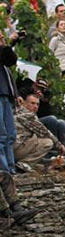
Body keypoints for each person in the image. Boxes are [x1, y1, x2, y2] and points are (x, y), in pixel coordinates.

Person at [14, 93, 64, 163]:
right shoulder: (26, 114)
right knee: (47, 142)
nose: (35, 106)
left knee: (35, 136)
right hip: (16, 148)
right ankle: (23, 164)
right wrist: (59, 144)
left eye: (37, 104)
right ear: (24, 103)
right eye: (32, 103)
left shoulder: (17, 111)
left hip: (14, 148)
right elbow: (43, 131)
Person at [0, 32, 18, 174]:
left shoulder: (3, 55)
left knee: (10, 134)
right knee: (1, 135)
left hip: (6, 95)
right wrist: (9, 43)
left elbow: (11, 60)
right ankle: (4, 169)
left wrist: (8, 45)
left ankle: (10, 168)